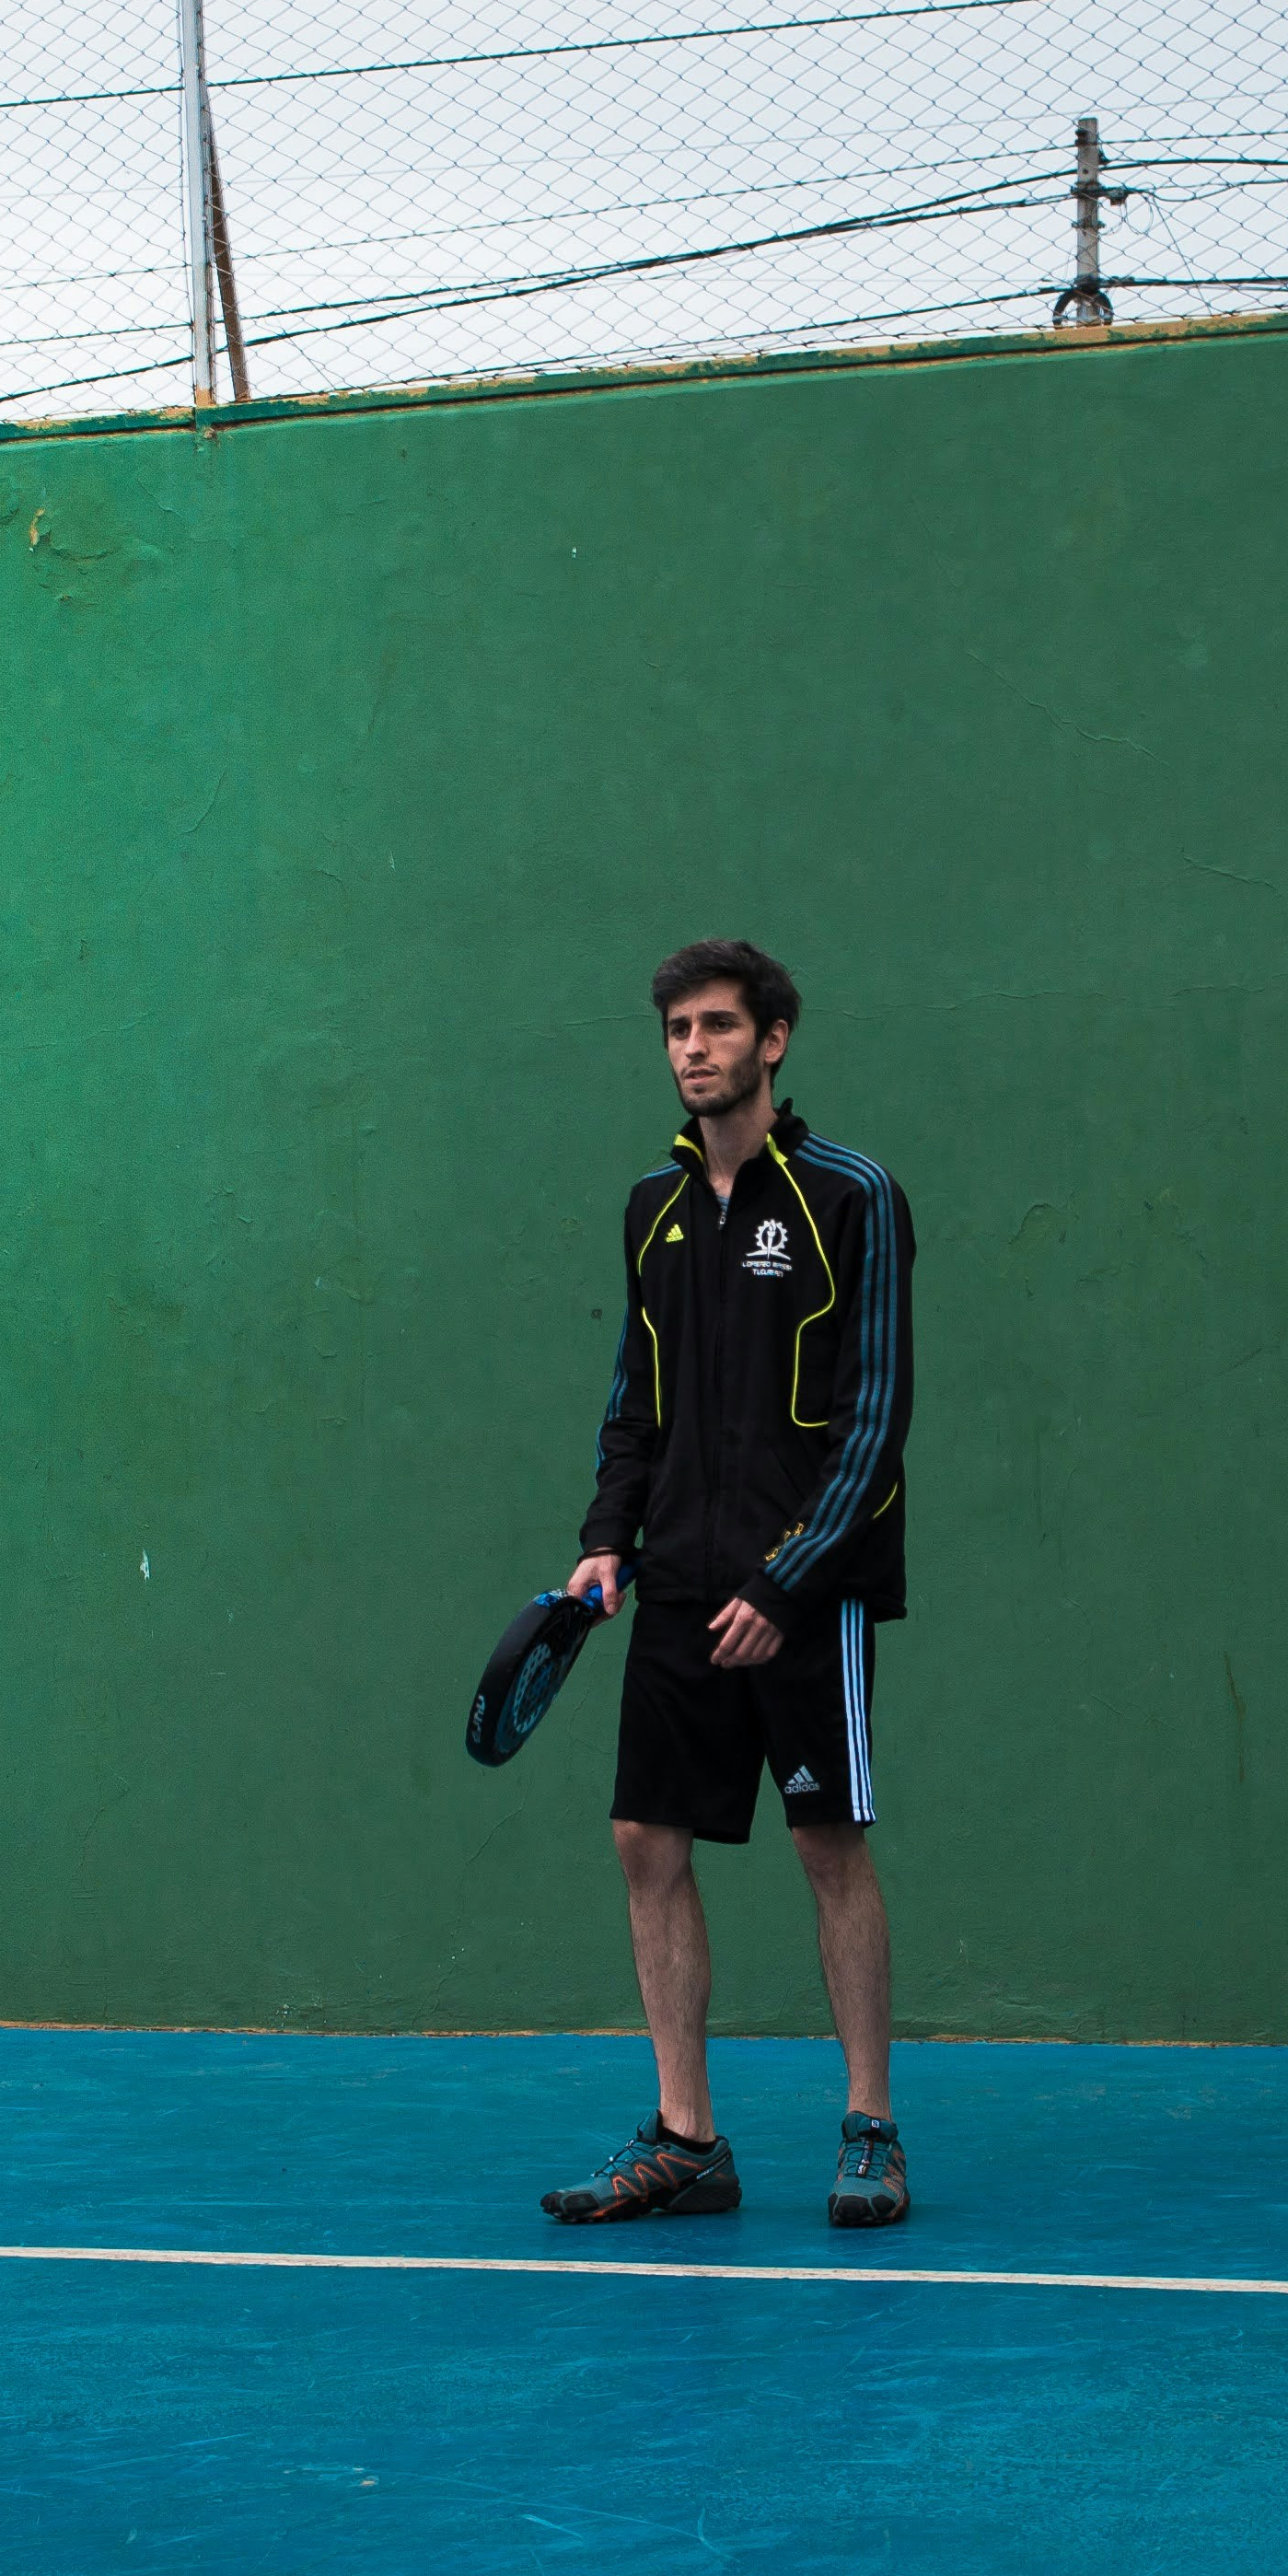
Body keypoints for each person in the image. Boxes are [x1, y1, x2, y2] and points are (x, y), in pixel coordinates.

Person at [545, 939, 916, 2230]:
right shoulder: (652, 1209)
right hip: (679, 1586)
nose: (692, 1049)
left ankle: (869, 2126)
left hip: (807, 1594)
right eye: (675, 1032)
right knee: (646, 1838)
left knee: (830, 1847)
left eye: (716, 1027)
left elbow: (873, 1421)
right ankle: (688, 2140)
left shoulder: (853, 1196)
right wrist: (609, 1539)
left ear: (775, 1040)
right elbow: (633, 1405)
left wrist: (792, 1576)